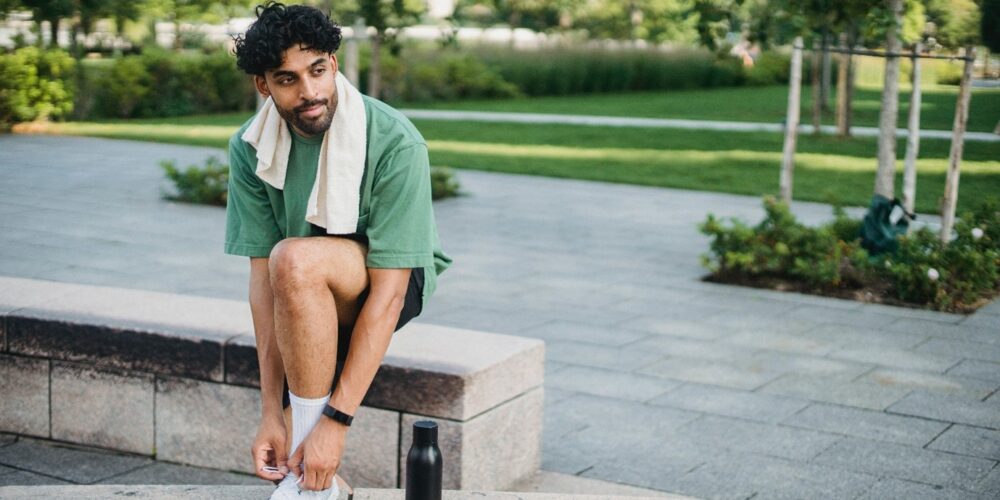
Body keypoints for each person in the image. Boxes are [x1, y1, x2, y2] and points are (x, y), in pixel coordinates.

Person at [226, 2, 451, 498]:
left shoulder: (395, 140)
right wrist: (269, 411)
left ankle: (313, 470)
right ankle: (324, 488)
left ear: (334, 60)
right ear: (264, 85)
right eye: (287, 79)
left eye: (318, 70)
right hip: (300, 280)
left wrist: (337, 423)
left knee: (296, 257)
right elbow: (263, 286)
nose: (309, 92)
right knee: (289, 443)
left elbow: (389, 297)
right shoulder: (250, 146)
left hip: (390, 277)